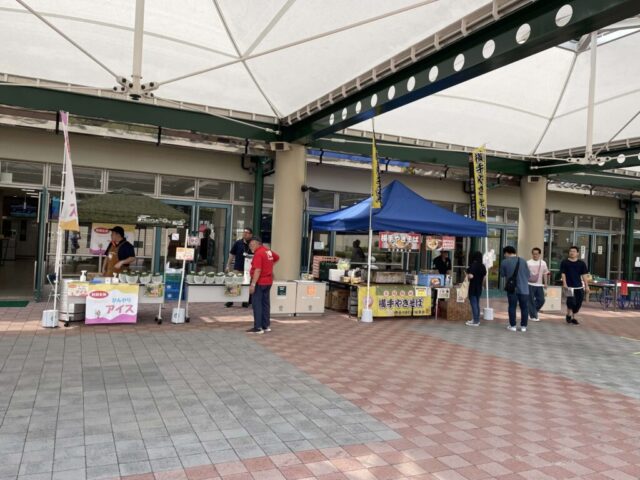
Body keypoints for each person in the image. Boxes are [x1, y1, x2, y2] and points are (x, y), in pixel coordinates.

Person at [247, 237, 280, 334]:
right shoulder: (267, 251)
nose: (251, 246)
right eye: (250, 245)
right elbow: (277, 257)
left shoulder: (258, 253)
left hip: (260, 282)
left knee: (257, 304)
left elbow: (257, 270)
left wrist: (253, 284)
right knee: (265, 304)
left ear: (258, 244)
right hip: (268, 282)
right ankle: (266, 326)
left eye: (252, 244)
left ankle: (258, 327)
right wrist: (269, 267)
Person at [500, 245, 530, 332]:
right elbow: (528, 275)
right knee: (524, 307)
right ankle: (523, 326)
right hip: (524, 289)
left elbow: (502, 274)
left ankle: (513, 326)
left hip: (512, 289)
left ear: (506, 253)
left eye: (505, 254)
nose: (504, 255)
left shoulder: (504, 262)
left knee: (512, 307)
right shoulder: (523, 261)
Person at [560, 246, 590, 325]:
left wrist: (586, 286)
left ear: (577, 253)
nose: (572, 252)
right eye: (570, 251)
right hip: (569, 286)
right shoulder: (565, 262)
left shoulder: (581, 263)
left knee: (578, 303)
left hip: (579, 287)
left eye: (573, 251)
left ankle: (572, 315)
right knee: (571, 302)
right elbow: (563, 274)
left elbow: (584, 275)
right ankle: (570, 316)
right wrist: (564, 283)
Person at [225, 227, 253, 308]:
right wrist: (228, 265)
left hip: (249, 268)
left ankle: (245, 301)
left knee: (247, 284)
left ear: (251, 235)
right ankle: (230, 301)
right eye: (244, 232)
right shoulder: (238, 243)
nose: (245, 234)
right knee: (234, 283)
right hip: (238, 267)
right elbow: (231, 254)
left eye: (247, 232)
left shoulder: (253, 243)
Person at [465, 251, 487, 327]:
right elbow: (484, 277)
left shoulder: (473, 265)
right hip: (479, 287)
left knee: (473, 303)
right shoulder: (483, 266)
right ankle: (476, 319)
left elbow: (471, 276)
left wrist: (467, 275)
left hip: (473, 286)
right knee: (477, 303)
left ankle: (475, 321)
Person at [527, 247, 549, 322]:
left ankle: (531, 311)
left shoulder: (543, 263)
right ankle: (533, 316)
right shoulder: (528, 262)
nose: (535, 255)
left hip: (539, 285)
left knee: (541, 300)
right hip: (529, 284)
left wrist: (545, 283)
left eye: (536, 254)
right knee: (531, 300)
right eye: (533, 254)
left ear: (539, 254)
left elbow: (545, 273)